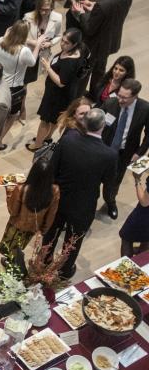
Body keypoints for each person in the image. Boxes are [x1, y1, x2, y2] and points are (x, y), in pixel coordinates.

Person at [42, 108, 117, 279]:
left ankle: (44, 261)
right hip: (84, 204)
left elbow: (53, 168)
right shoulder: (109, 155)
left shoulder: (68, 140)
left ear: (84, 123)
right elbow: (109, 182)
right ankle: (65, 270)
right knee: (73, 240)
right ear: (103, 126)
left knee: (52, 232)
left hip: (60, 198)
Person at [27, 28, 87, 151]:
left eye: (66, 43)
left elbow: (61, 82)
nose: (62, 44)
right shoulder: (76, 51)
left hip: (57, 95)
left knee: (45, 120)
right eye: (63, 41)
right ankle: (47, 137)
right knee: (54, 119)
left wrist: (48, 68)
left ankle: (37, 145)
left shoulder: (70, 62)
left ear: (74, 44)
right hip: (58, 93)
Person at [0, 20, 43, 149]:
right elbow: (32, 62)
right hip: (12, 88)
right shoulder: (23, 51)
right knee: (12, 115)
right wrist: (38, 46)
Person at [100, 79, 149, 219]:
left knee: (114, 181)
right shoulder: (110, 103)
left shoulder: (145, 109)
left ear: (135, 96)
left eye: (124, 97)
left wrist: (139, 153)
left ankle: (110, 202)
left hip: (124, 153)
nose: (120, 100)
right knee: (94, 178)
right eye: (119, 95)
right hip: (103, 149)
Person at [0, 158, 60, 260]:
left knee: (8, 248)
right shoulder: (55, 190)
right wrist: (43, 230)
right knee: (19, 247)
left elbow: (13, 211)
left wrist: (9, 191)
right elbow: (51, 215)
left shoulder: (21, 189)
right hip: (33, 228)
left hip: (16, 225)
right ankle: (13, 260)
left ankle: (11, 262)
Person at [75, 0, 133, 93]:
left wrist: (82, 13)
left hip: (95, 45)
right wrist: (95, 6)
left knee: (86, 70)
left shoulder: (103, 5)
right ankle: (94, 94)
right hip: (111, 40)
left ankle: (77, 95)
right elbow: (114, 11)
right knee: (100, 70)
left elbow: (89, 29)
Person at [22, 0, 64, 95]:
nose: (44, 12)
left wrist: (50, 43)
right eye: (41, 9)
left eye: (47, 10)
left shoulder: (57, 18)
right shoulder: (28, 17)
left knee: (33, 76)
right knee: (24, 79)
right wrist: (35, 43)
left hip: (42, 55)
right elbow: (21, 36)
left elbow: (59, 35)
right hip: (28, 51)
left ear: (52, 8)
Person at [120, 171, 149, 257]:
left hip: (145, 215)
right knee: (146, 239)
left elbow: (144, 202)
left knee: (126, 238)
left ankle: (126, 268)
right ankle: (141, 258)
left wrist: (137, 180)